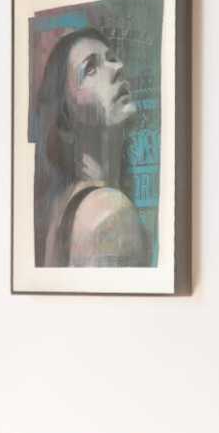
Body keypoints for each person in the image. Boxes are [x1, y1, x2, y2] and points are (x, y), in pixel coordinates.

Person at [28, 21, 152, 266]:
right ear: (65, 124)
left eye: (112, 58)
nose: (117, 67)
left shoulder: (62, 208)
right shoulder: (110, 213)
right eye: (91, 69)